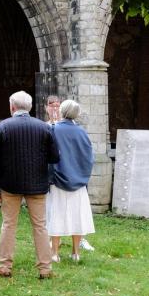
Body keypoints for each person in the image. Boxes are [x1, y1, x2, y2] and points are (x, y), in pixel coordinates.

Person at [0, 90, 59, 279]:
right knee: (40, 226)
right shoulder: (44, 128)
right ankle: (45, 267)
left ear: (12, 107)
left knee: (8, 224)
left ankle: (5, 265)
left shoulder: (2, 127)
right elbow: (54, 156)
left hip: (9, 184)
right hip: (37, 184)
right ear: (30, 107)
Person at [47, 100, 96, 264]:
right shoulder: (82, 132)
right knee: (78, 215)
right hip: (78, 181)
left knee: (56, 214)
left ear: (61, 111)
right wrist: (82, 175)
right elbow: (89, 157)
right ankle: (75, 253)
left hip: (58, 180)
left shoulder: (53, 129)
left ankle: (54, 252)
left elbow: (48, 155)